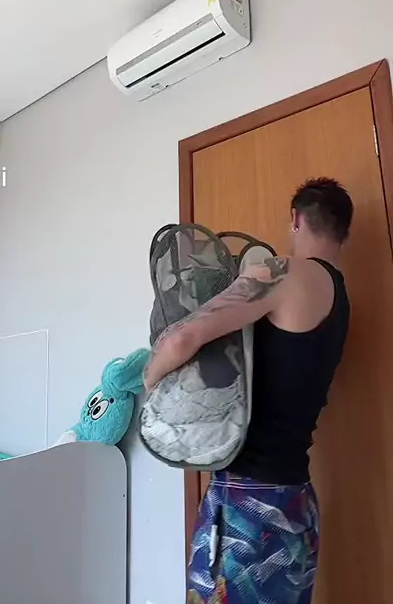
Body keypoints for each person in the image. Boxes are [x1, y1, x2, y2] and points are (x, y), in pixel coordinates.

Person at [144, 177, 353, 604]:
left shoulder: (282, 273)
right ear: (343, 234)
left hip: (246, 506)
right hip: (296, 503)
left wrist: (150, 381)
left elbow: (181, 339)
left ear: (295, 219)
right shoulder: (340, 300)